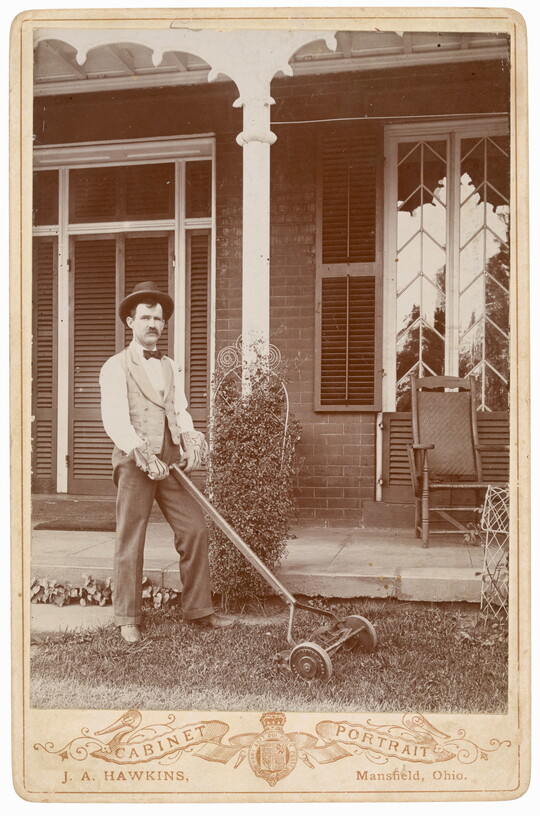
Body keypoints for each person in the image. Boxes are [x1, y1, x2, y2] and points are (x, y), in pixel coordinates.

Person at [99, 280, 233, 642]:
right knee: (131, 537)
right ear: (130, 322)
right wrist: (142, 454)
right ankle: (128, 616)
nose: (153, 325)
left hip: (172, 460)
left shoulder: (171, 365)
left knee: (195, 530)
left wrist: (189, 441)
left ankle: (199, 610)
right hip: (135, 458)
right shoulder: (115, 366)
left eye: (158, 319)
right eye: (145, 317)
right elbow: (115, 421)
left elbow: (180, 409)